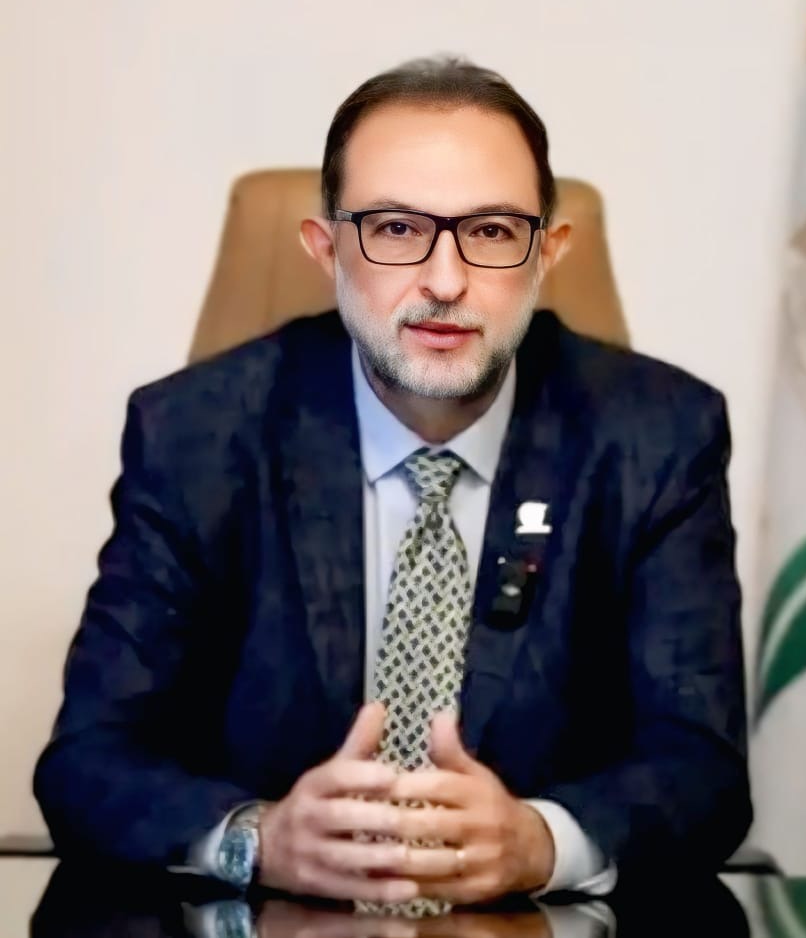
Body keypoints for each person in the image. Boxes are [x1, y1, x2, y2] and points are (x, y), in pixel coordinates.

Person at [34, 57, 751, 907]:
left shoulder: (657, 437)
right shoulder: (197, 436)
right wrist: (257, 840)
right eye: (398, 229)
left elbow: (703, 769)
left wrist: (542, 842)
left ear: (547, 252)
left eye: (491, 232)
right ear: (326, 248)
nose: (445, 282)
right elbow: (88, 761)